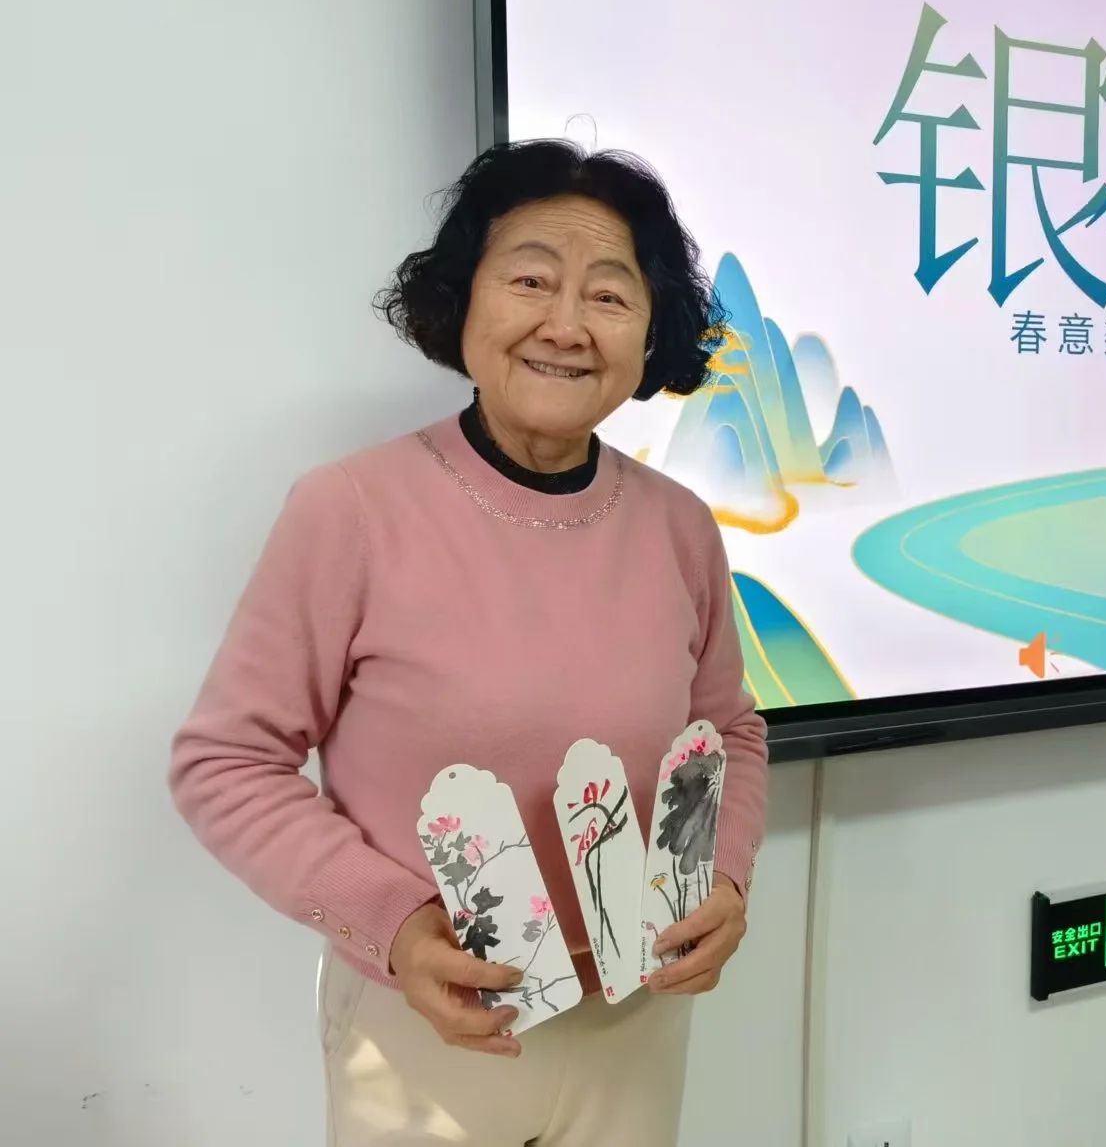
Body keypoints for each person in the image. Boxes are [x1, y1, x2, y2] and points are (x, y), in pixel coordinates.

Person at [169, 138, 768, 1146]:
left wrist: (726, 873)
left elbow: (730, 731)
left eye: (609, 295)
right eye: (530, 280)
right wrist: (394, 924)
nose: (565, 325)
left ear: (650, 332)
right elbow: (226, 763)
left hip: (638, 1018)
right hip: (422, 1030)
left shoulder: (679, 527)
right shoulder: (350, 509)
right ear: (464, 300)